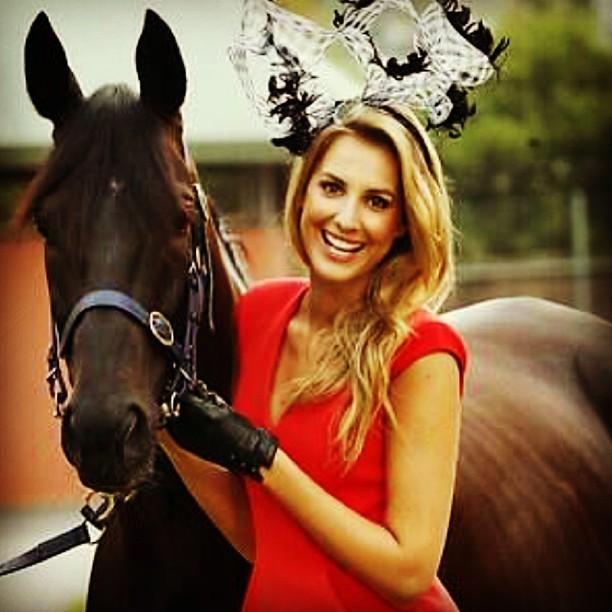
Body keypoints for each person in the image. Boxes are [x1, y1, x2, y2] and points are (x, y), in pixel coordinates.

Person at [158, 1, 507, 609]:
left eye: (378, 201)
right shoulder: (258, 313)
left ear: (404, 224)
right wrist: (165, 431)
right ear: (304, 193)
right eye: (333, 187)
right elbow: (262, 539)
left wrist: (264, 459)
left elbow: (409, 571)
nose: (346, 218)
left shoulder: (422, 352)